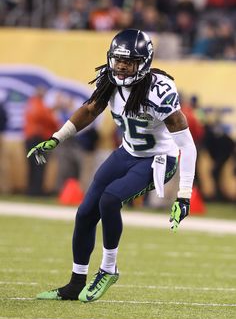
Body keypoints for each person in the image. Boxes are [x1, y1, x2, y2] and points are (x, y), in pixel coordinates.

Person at [27, 29, 197, 302]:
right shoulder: (110, 80)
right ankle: (75, 284)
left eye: (127, 62)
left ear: (143, 62)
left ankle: (108, 269)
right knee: (84, 213)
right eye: (117, 59)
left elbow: (187, 145)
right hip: (127, 152)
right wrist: (57, 137)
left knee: (110, 199)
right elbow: (90, 110)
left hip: (157, 158)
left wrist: (184, 195)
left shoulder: (159, 91)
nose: (120, 66)